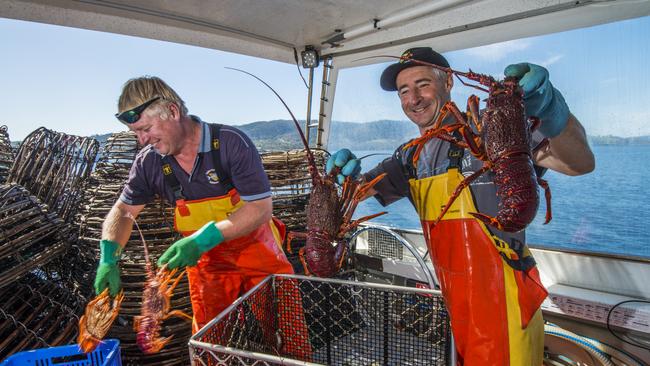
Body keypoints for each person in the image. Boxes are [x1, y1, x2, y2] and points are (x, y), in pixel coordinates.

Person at [328, 47, 595, 365]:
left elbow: (580, 162)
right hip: (455, 304)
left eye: (423, 83)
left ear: (448, 83)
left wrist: (553, 112)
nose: (414, 98)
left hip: (504, 303)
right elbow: (355, 192)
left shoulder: (488, 127)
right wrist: (339, 175)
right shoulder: (407, 157)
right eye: (404, 90)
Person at [93, 76, 310, 358]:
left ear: (172, 111)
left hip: (259, 254)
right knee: (210, 343)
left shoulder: (230, 143)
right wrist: (109, 257)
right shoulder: (149, 162)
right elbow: (123, 211)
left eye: (145, 129)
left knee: (287, 331)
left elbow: (260, 209)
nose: (142, 140)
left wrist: (202, 238)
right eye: (136, 133)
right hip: (208, 267)